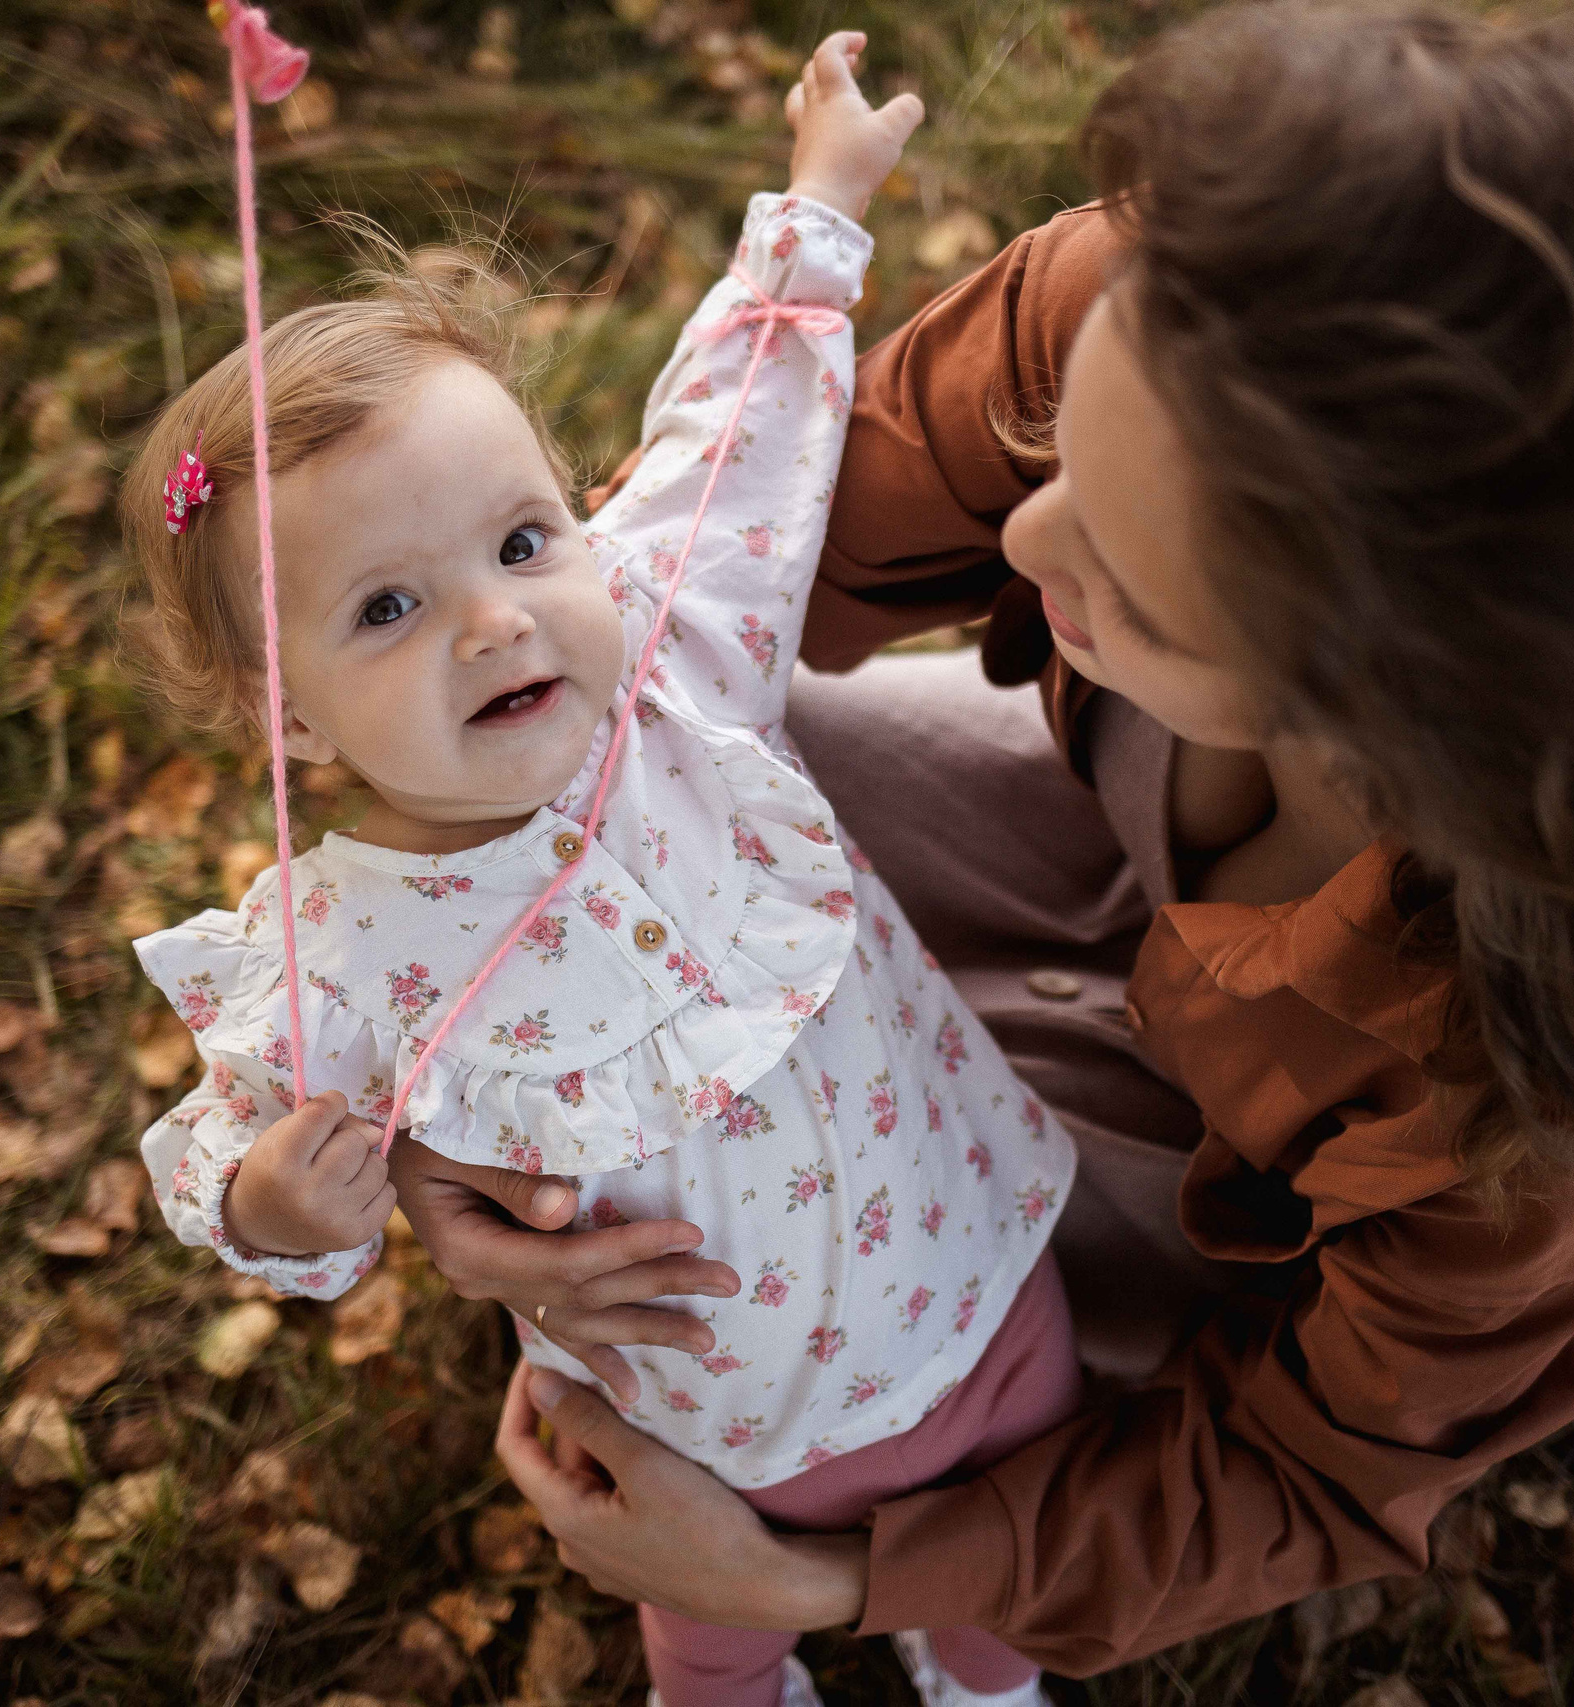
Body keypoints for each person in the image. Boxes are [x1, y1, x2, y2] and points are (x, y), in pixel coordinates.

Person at [433, 1, 1574, 1681]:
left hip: (1266, 1186)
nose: (1026, 525)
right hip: (1131, 868)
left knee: (930, 1305)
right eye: (1065, 446)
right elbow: (678, 607)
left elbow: (1295, 1471)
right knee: (670, 780)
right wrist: (450, 1104)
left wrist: (820, 1579)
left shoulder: (1529, 1104)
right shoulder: (1195, 311)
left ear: (1406, 727)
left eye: (1128, 571)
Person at [122, 32, 1087, 1707]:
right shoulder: (346, 955)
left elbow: (737, 419)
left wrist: (817, 204)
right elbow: (219, 1147)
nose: (496, 616)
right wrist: (279, 1195)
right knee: (705, 1629)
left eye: (517, 541)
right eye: (387, 607)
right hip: (699, 1419)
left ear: (578, 521)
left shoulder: (667, 651)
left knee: (1017, 1528)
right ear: (288, 719)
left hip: (981, 1262)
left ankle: (984, 1679)